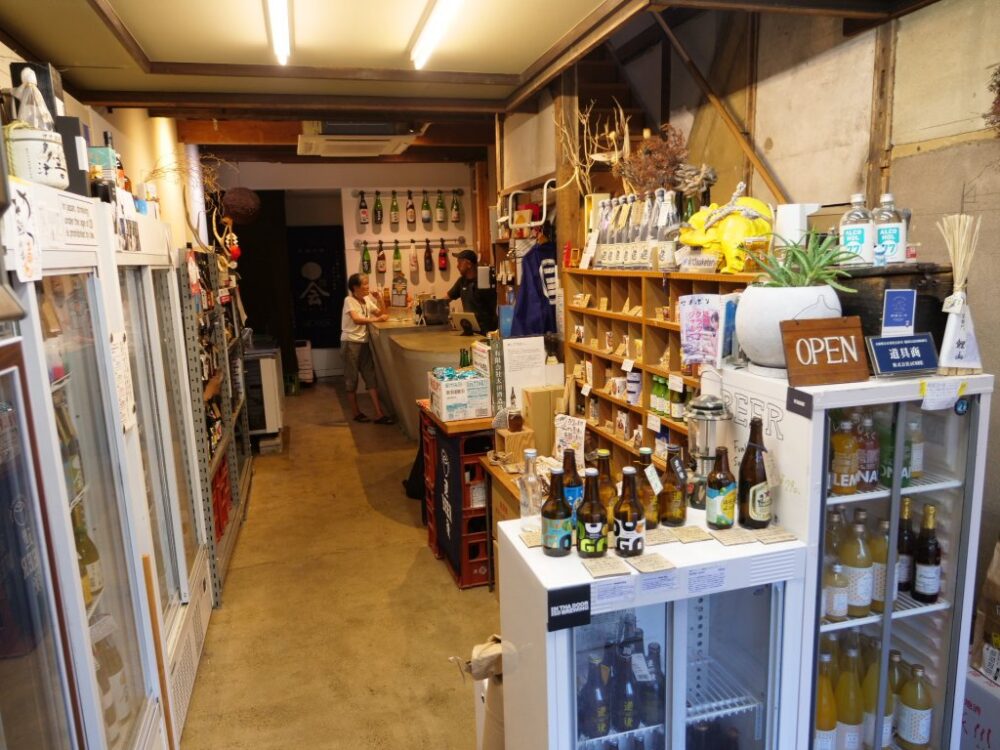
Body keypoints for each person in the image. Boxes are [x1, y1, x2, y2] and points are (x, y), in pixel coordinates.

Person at [341, 273, 394, 424]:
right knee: (352, 379)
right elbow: (356, 319)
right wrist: (376, 319)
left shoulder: (367, 300)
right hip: (350, 343)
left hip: (363, 343)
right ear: (355, 287)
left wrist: (380, 299)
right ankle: (356, 412)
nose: (367, 286)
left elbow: (383, 314)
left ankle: (379, 414)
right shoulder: (349, 300)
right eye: (364, 283)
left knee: (370, 376)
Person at [446, 249, 497, 332]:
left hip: (487, 330)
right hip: (470, 329)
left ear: (469, 264)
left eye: (460, 262)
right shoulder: (462, 281)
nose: (457, 266)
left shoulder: (484, 280)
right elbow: (447, 298)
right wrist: (434, 305)